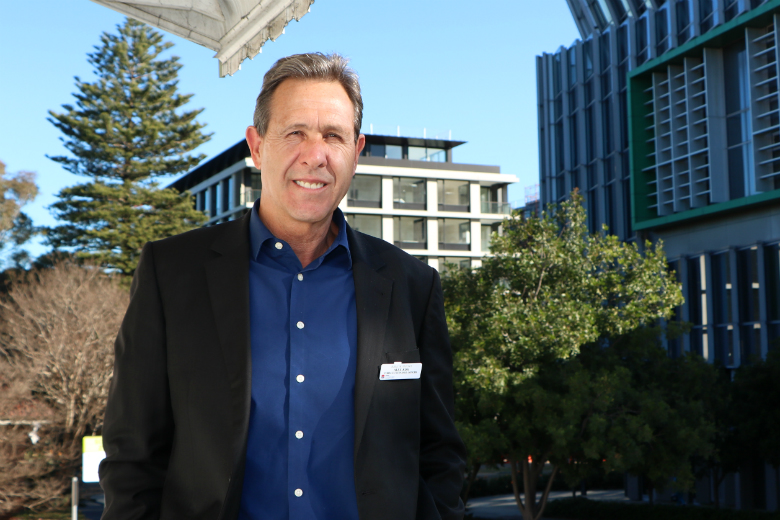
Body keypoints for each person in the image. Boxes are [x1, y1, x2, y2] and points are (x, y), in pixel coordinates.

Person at [99, 52, 466, 520]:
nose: (315, 155)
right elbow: (133, 457)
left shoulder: (412, 287)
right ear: (256, 146)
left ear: (356, 153)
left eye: (334, 136)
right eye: (295, 133)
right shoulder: (171, 275)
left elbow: (439, 454)